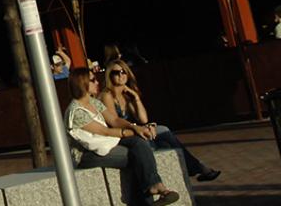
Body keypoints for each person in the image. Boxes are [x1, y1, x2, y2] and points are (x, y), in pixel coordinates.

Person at [66, 67, 180, 205]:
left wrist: (134, 127)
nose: (97, 82)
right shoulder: (76, 111)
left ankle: (154, 187)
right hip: (87, 155)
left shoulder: (93, 102)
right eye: (93, 80)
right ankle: (151, 194)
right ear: (82, 83)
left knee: (138, 144)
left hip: (105, 145)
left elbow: (114, 120)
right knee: (137, 156)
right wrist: (132, 131)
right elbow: (104, 131)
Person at [99, 59, 221, 182]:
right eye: (116, 72)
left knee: (164, 141)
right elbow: (114, 122)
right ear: (109, 76)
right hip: (119, 135)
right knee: (161, 135)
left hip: (133, 130)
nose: (121, 75)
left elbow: (143, 118)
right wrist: (137, 127)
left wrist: (136, 98)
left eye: (123, 72)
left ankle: (185, 175)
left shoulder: (127, 94)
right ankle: (197, 168)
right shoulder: (107, 95)